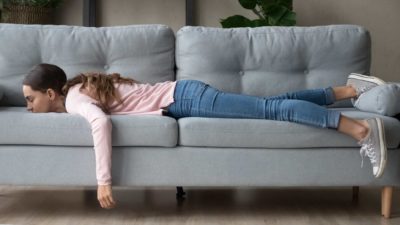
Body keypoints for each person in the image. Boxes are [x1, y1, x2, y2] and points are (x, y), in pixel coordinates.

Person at [22, 63, 387, 209]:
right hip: (184, 95)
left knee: (271, 111)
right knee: (268, 104)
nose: (28, 107)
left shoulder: (73, 101)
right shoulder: (75, 92)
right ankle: (347, 92)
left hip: (185, 98)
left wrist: (104, 181)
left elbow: (100, 124)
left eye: (30, 99)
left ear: (51, 94)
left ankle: (361, 130)